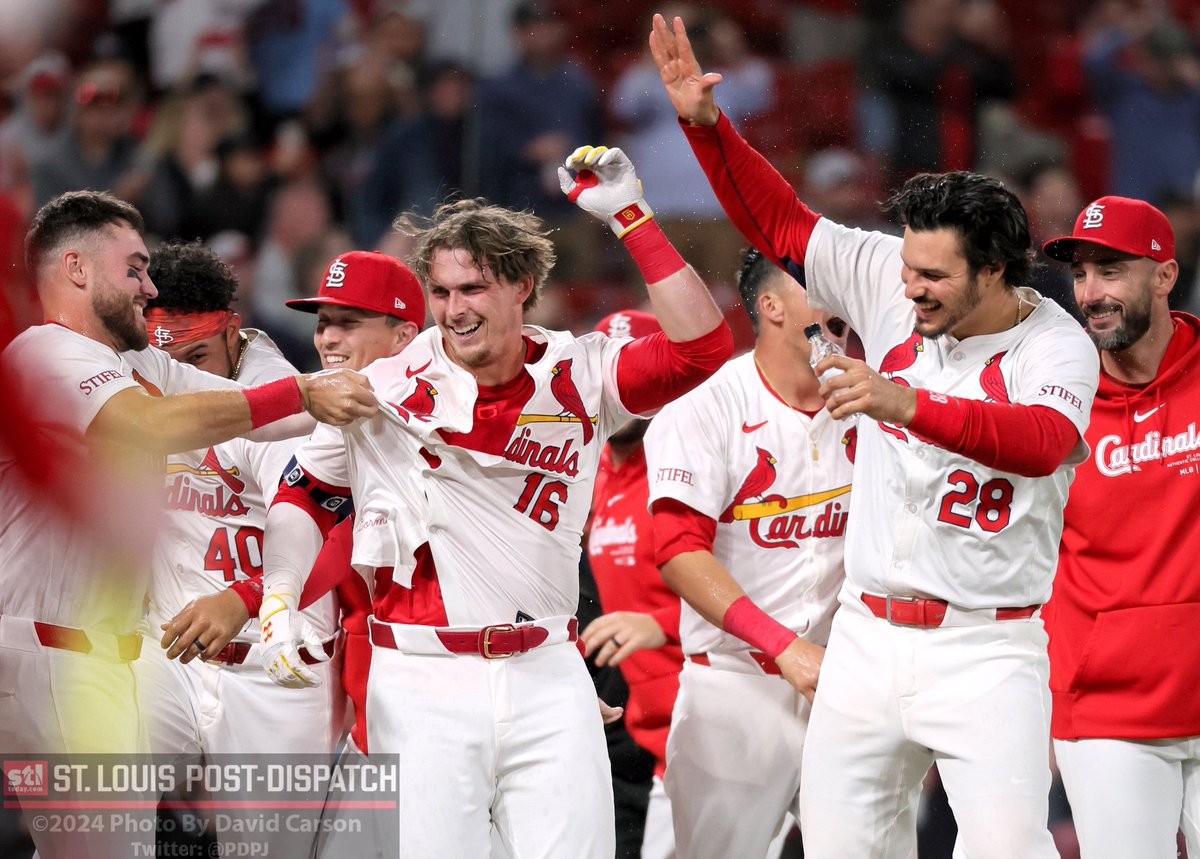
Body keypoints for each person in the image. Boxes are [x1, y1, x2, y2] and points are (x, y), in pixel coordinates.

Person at [648, 14, 1100, 857]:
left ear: (997, 271)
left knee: (1006, 848)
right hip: (865, 635)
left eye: (933, 275)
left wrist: (902, 404)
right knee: (840, 847)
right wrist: (707, 130)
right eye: (907, 267)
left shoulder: (1055, 343)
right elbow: (781, 226)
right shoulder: (895, 280)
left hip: (988, 645)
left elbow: (1040, 441)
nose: (910, 288)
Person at [258, 144, 734, 856]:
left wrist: (631, 216)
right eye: (442, 293)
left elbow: (705, 349)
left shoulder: (582, 372)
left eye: (473, 289)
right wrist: (278, 596)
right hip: (421, 676)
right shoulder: (385, 387)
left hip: (548, 669)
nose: (454, 310)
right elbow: (305, 492)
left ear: (523, 284)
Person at [0, 191, 374, 857]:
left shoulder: (138, 363)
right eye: (135, 268)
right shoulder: (41, 352)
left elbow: (268, 412)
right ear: (78, 270)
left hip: (125, 656)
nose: (149, 287)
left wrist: (375, 387)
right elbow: (145, 426)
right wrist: (301, 393)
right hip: (58, 654)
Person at [133, 241, 370, 856]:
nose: (185, 379)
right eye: (168, 364)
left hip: (276, 667)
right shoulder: (143, 391)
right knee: (87, 800)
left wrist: (243, 596)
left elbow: (327, 528)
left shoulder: (285, 402)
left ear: (233, 333)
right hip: (170, 658)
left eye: (198, 357)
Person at [645, 248, 854, 858]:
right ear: (771, 306)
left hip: (846, 686)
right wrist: (783, 645)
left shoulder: (873, 399)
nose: (838, 296)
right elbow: (680, 551)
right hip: (735, 689)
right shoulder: (705, 407)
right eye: (817, 285)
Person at [1041, 197, 1200, 859]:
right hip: (1105, 713)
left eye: (1111, 270)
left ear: (1164, 276)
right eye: (1081, 274)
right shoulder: (1053, 399)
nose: (1091, 293)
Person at [583, 308, 685, 859]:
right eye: (609, 378)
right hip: (624, 733)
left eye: (637, 375)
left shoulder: (693, 465)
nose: (622, 392)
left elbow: (762, 594)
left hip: (705, 727)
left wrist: (661, 625)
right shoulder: (587, 468)